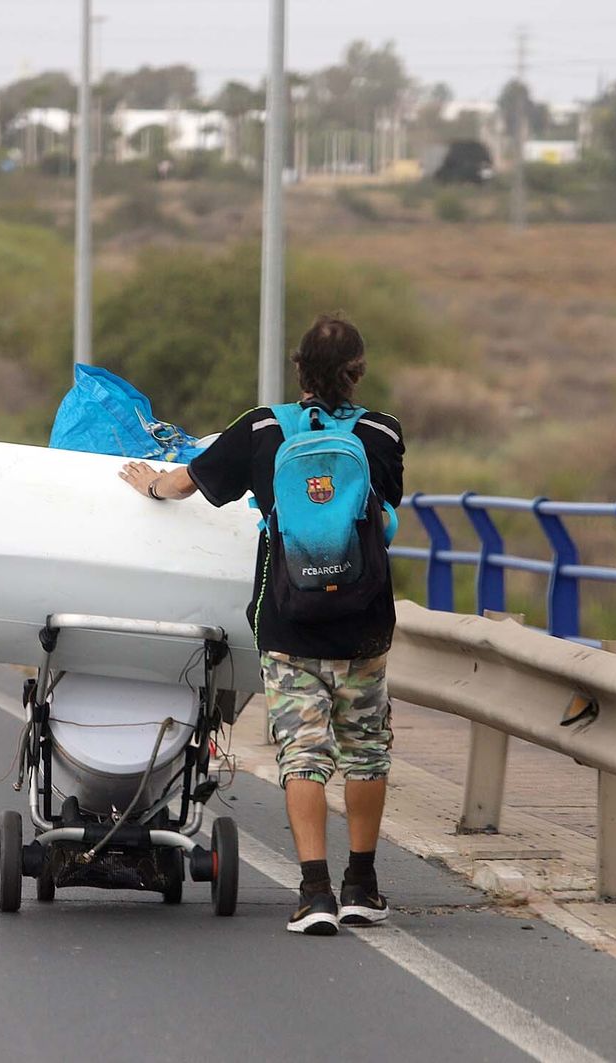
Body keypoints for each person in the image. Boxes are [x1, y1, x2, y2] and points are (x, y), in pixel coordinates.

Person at [120, 313, 404, 936]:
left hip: (289, 621)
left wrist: (149, 484)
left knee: (303, 754)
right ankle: (363, 884)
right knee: (365, 753)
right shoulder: (383, 433)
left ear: (298, 369)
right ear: (358, 372)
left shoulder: (263, 427)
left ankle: (315, 893)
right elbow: (384, 517)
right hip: (363, 623)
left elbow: (186, 483)